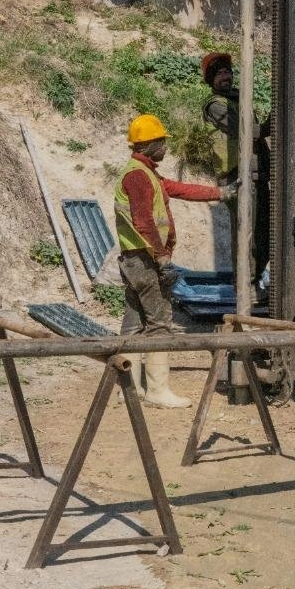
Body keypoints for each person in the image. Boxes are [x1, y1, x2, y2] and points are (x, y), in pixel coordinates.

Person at [115, 113, 225, 408]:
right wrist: (161, 256)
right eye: (162, 142)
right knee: (160, 323)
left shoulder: (145, 172)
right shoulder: (138, 176)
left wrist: (220, 193)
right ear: (149, 144)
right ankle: (157, 391)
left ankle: (128, 387)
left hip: (134, 259)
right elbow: (143, 221)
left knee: (134, 322)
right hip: (145, 260)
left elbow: (179, 189)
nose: (165, 147)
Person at [201, 52, 269, 292]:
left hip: (255, 171)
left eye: (228, 72)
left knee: (264, 230)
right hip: (235, 176)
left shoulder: (240, 98)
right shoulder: (215, 106)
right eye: (219, 74)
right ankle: (244, 284)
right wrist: (266, 127)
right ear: (211, 80)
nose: (226, 77)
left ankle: (255, 278)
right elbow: (243, 130)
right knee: (245, 229)